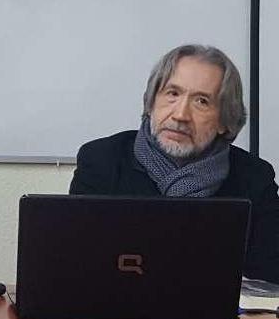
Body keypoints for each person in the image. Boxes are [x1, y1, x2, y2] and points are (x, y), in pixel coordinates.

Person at [70, 44, 279, 283]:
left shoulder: (254, 177)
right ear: (151, 103)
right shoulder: (101, 160)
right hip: (118, 313)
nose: (180, 114)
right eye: (172, 93)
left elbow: (268, 282)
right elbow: (79, 265)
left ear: (225, 121)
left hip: (217, 318)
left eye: (201, 101)